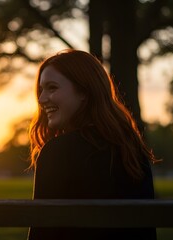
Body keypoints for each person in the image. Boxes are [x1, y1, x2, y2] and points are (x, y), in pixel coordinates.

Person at [28, 49, 158, 240]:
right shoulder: (132, 151)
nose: (41, 99)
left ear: (84, 92)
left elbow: (41, 234)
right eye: (41, 90)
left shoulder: (57, 153)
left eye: (52, 88)